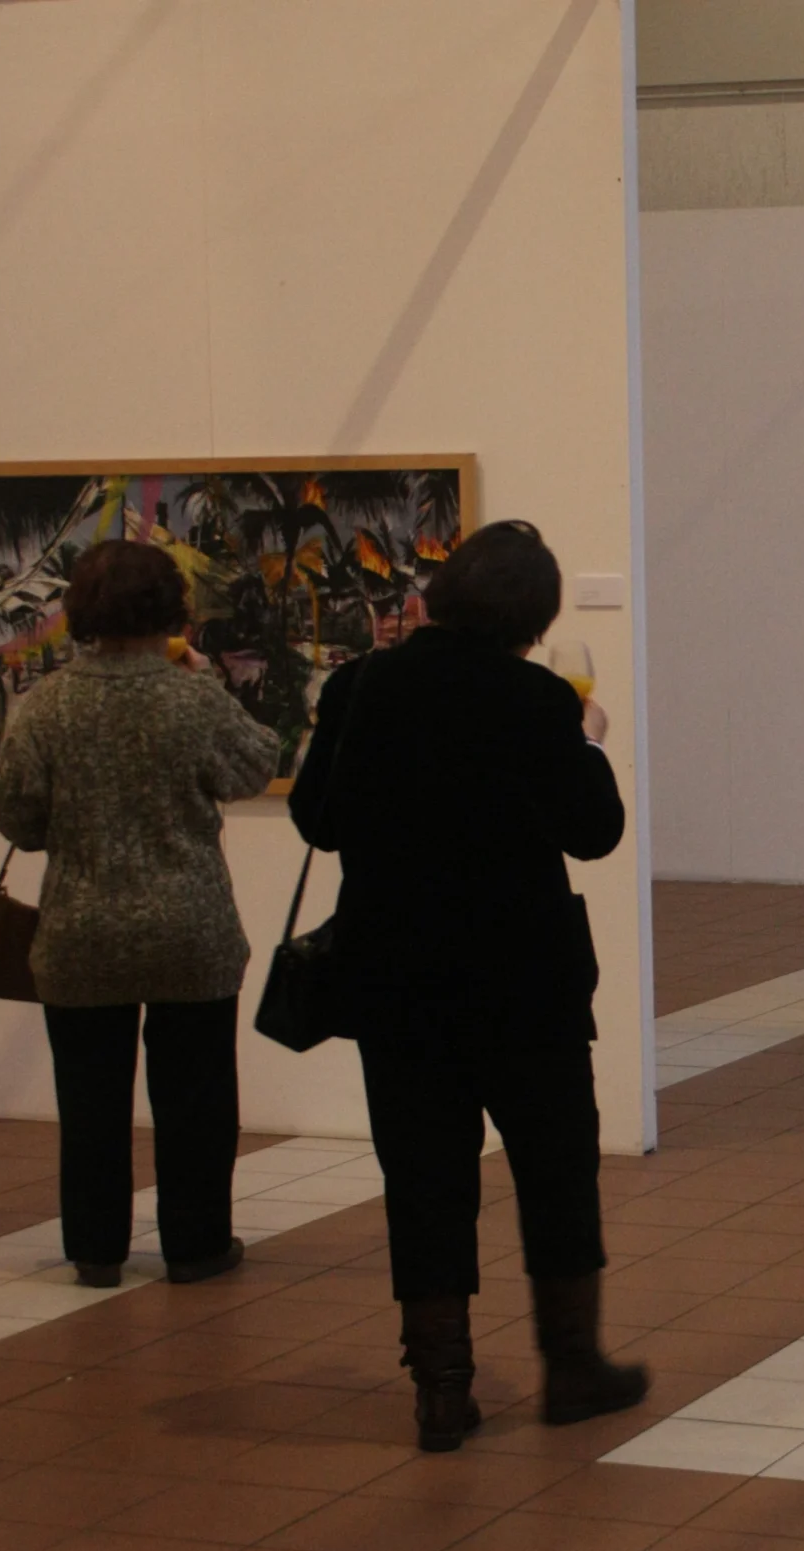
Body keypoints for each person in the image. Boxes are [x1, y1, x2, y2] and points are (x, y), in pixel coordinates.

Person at [290, 519, 646, 1452]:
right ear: (533, 616)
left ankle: (442, 1389)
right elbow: (594, 830)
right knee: (556, 1170)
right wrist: (589, 740)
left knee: (424, 1178)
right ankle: (572, 1367)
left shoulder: (360, 686)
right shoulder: (538, 699)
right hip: (523, 979)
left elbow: (317, 819)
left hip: (396, 978)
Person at [0, 540, 280, 1290]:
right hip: (190, 928)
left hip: (81, 931)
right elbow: (255, 765)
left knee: (89, 1101)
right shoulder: (190, 698)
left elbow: (18, 818)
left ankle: (96, 1250)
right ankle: (195, 1244)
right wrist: (205, 678)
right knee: (197, 1099)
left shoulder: (46, 704)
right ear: (172, 611)